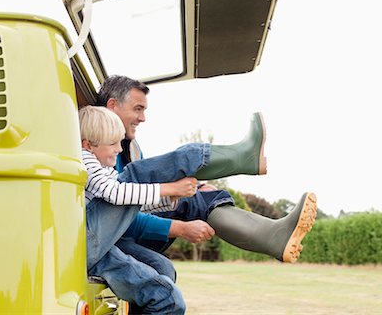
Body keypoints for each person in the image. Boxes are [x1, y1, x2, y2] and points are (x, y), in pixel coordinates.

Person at [96, 75, 317, 264]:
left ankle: (274, 236)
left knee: (199, 197)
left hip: (125, 232)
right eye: (138, 109)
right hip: (107, 237)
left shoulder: (131, 149)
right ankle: (243, 157)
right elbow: (119, 206)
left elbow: (139, 204)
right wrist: (178, 227)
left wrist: (188, 191)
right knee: (148, 175)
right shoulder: (92, 149)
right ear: (113, 105)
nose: (143, 118)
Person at [80, 105, 275, 314]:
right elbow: (116, 194)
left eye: (120, 142)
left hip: (100, 249)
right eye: (113, 143)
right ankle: (236, 157)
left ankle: (273, 235)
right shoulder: (84, 158)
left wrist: (170, 198)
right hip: (85, 243)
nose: (119, 149)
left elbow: (127, 205)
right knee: (136, 175)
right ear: (88, 145)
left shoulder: (103, 169)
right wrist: (168, 187)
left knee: (168, 297)